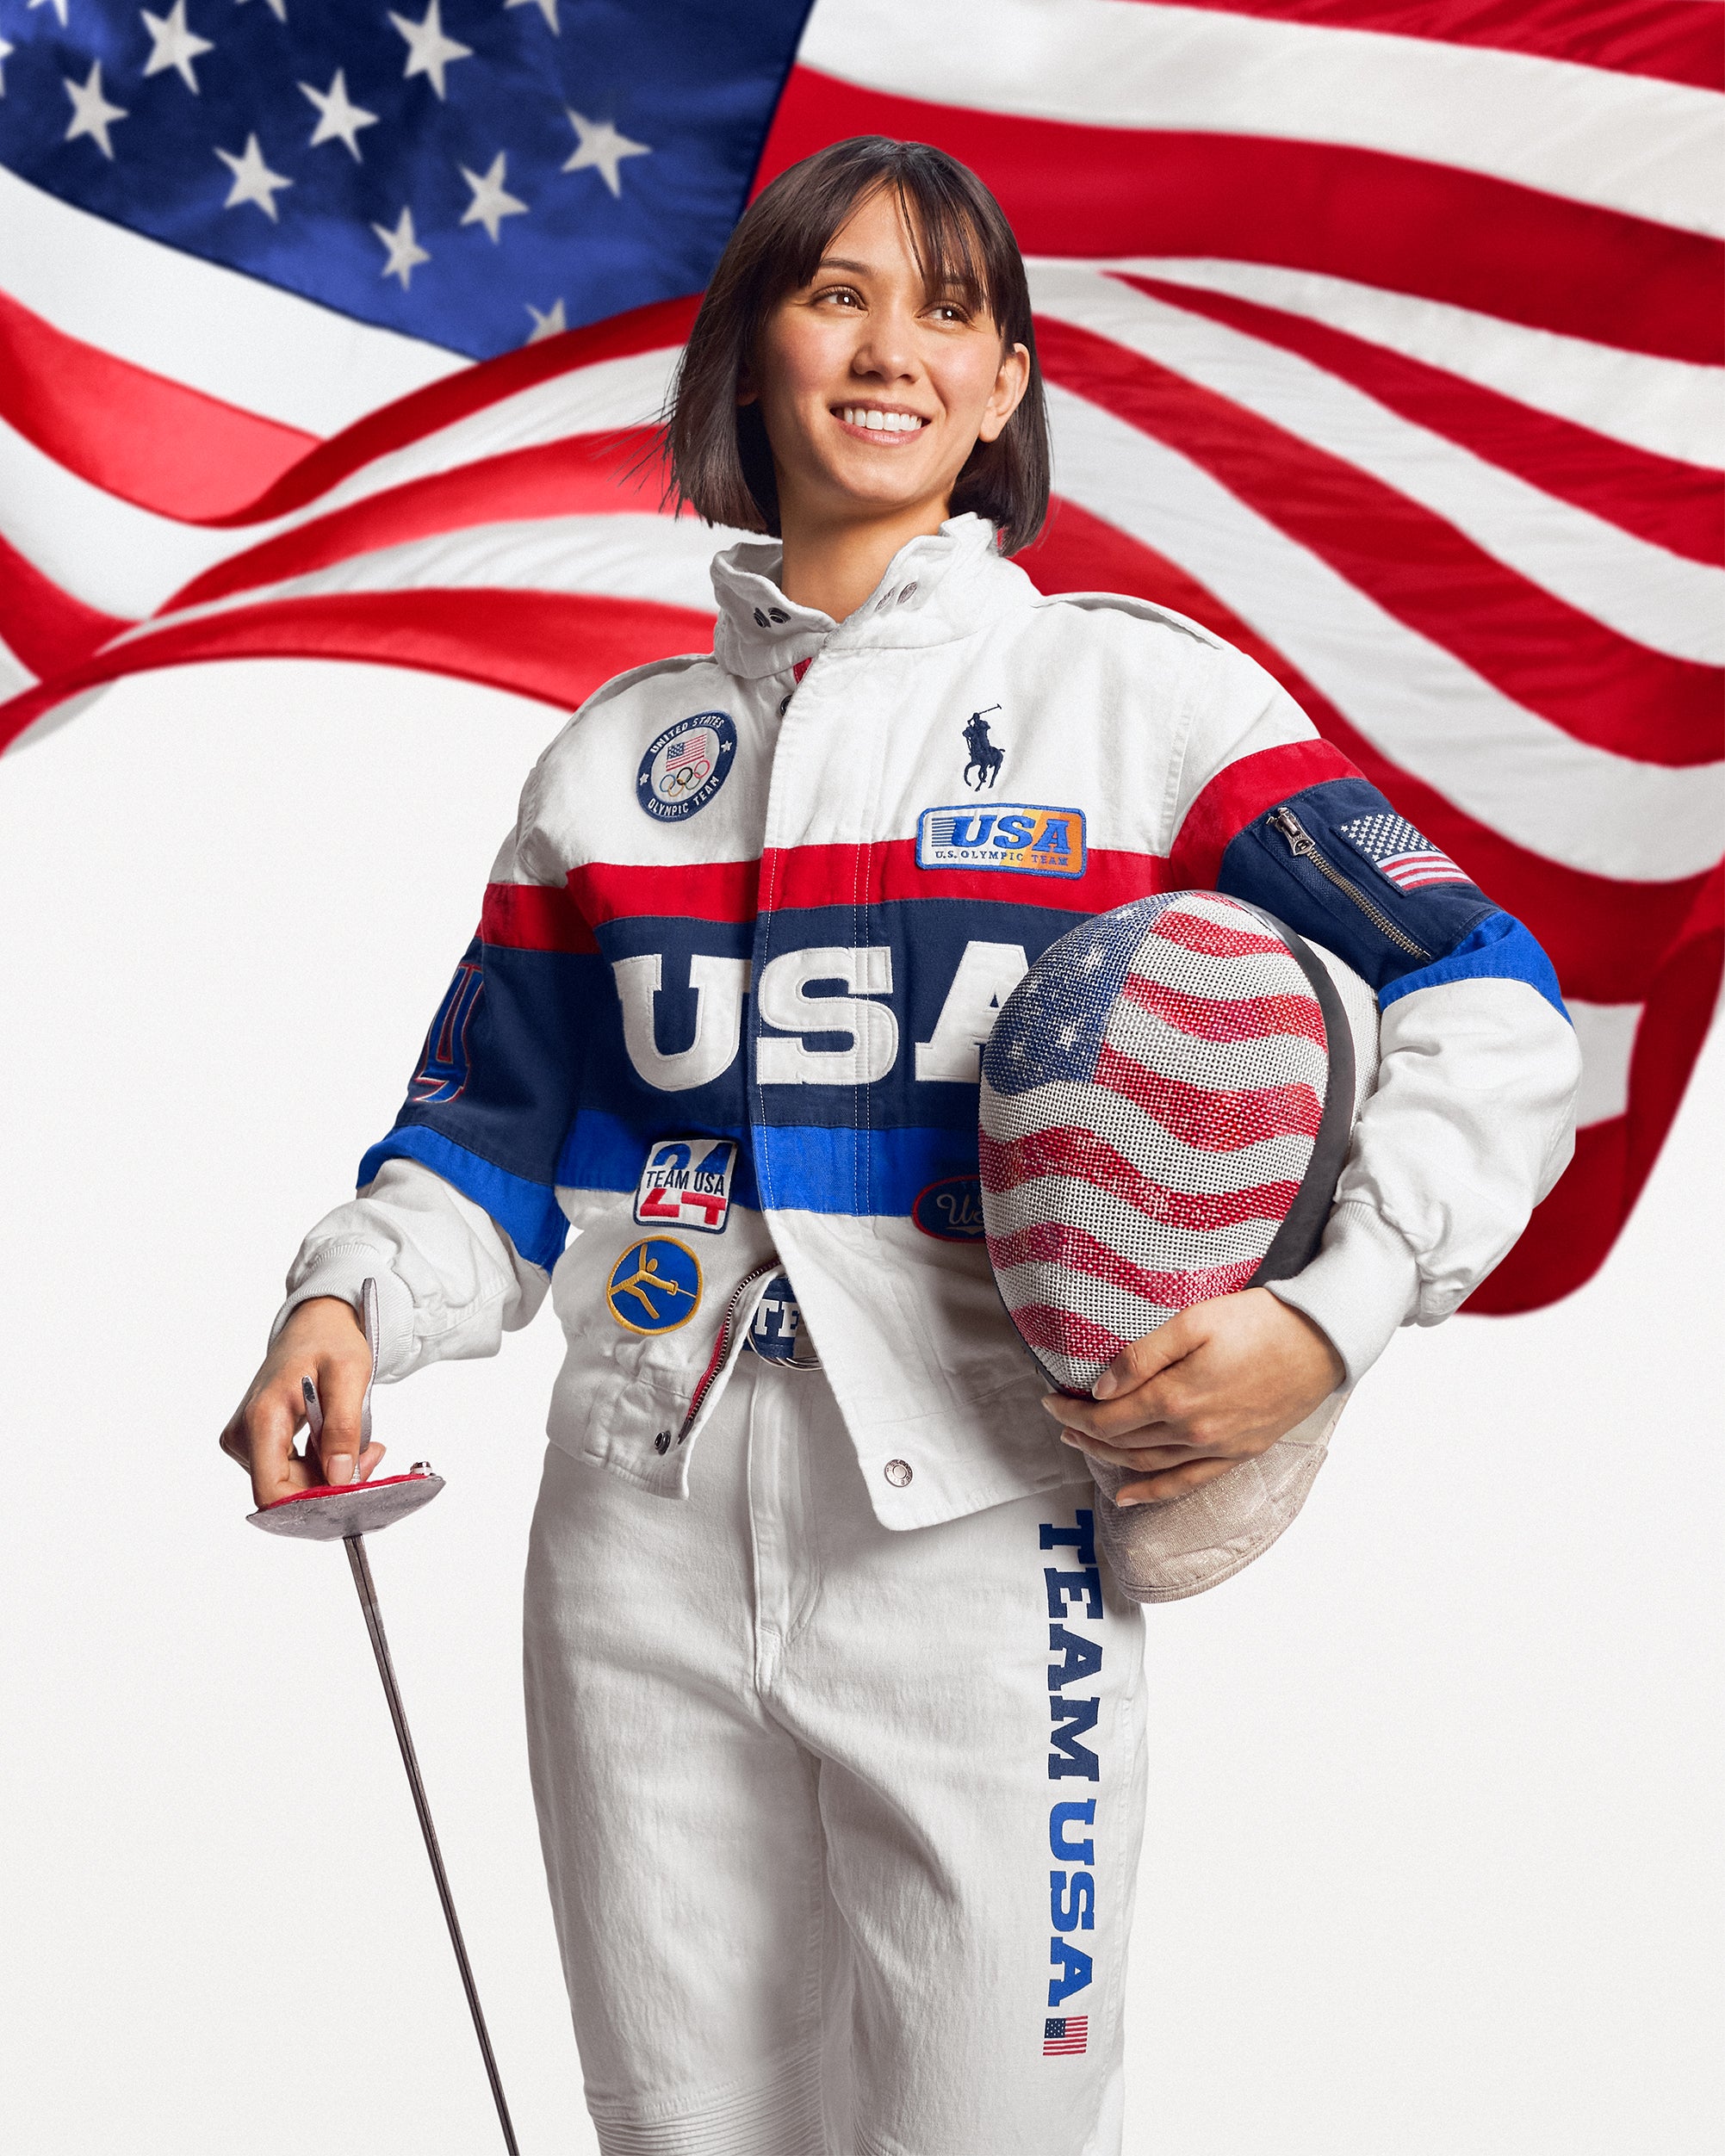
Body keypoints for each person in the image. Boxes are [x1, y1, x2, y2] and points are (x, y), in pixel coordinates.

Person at [222, 138, 1581, 2155]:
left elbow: (1493, 989)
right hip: (632, 1546)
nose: (891, 347)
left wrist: (1337, 1312)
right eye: (836, 292)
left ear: (1010, 385)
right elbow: (492, 1145)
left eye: (950, 309)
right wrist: (344, 1299)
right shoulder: (613, 764)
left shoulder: (1136, 698)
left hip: (986, 1540)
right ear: (750, 349)